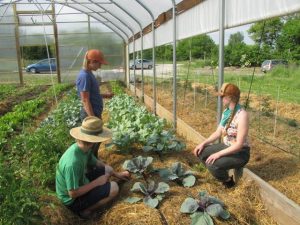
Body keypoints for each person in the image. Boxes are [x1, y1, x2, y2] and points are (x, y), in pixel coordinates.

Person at [56, 116, 130, 219]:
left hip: (82, 182)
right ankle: (86, 211)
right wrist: (97, 182)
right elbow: (73, 193)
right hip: (73, 201)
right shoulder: (73, 163)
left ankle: (115, 179)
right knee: (114, 188)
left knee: (107, 169)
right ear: (93, 141)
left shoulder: (83, 149)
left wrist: (116, 174)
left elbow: (96, 163)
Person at [193, 83, 250, 188]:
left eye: (222, 97)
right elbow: (218, 132)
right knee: (200, 152)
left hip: (240, 153)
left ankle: (228, 182)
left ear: (230, 97)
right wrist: (203, 143)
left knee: (212, 164)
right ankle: (219, 173)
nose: (220, 99)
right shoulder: (227, 112)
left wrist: (218, 154)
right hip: (227, 146)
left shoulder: (242, 115)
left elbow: (239, 145)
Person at [76, 49, 113, 158]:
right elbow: (85, 100)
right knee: (91, 143)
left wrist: (105, 95)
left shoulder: (89, 74)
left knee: (95, 142)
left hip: (94, 113)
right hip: (90, 115)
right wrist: (93, 118)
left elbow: (92, 95)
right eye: (99, 63)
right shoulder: (85, 76)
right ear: (91, 61)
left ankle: (93, 162)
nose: (100, 66)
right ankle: (90, 167)